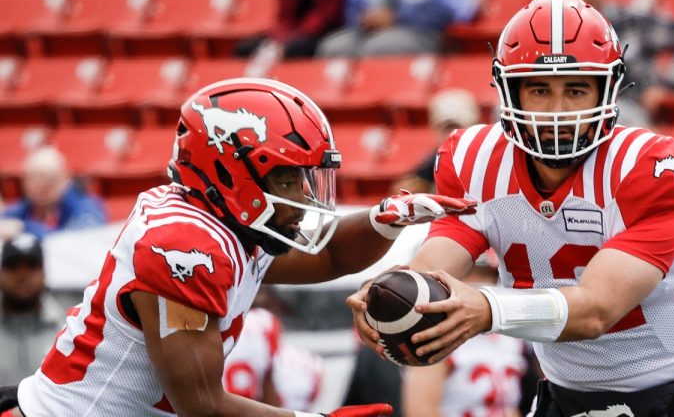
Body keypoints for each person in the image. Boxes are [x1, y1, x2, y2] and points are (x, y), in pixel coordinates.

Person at [347, 0, 674, 416]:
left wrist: (487, 308)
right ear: (509, 91)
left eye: (576, 89)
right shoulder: (475, 159)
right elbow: (439, 261)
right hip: (566, 398)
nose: (558, 110)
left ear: (607, 90)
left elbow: (597, 310)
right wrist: (393, 297)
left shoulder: (645, 166)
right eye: (539, 89)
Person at [2, 78, 476, 417]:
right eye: (287, 177)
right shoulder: (183, 246)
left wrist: (385, 220)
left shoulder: (221, 221)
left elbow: (328, 256)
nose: (303, 196)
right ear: (228, 171)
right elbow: (202, 405)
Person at [401, 253, 528, 417]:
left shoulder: (510, 335)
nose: (481, 283)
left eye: (489, 274)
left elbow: (509, 406)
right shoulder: (435, 330)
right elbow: (421, 411)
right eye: (471, 272)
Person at [563, 0, 674, 127]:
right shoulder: (561, 29)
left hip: (630, 106)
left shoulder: (630, 21)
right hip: (576, 108)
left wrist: (667, 85)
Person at [317, 0, 478, 58]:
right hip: (368, 31)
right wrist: (366, 18)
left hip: (419, 30)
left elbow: (452, 9)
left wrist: (398, 17)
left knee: (383, 48)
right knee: (334, 47)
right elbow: (351, 6)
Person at [0, 234, 65, 386]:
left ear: (43, 273)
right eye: (13, 266)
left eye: (31, 266)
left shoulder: (66, 329)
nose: (22, 275)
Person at [1, 146, 107, 239]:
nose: (42, 184)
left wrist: (23, 229)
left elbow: (78, 240)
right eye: (35, 177)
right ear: (24, 182)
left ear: (66, 178)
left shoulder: (88, 207)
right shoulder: (22, 208)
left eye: (51, 178)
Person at [391, 89, 481, 194]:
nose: (452, 135)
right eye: (446, 129)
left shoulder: (488, 159)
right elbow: (402, 191)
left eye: (458, 128)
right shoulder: (432, 165)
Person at [234, 0, 347, 60]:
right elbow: (284, 15)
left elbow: (324, 16)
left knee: (295, 48)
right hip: (291, 33)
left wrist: (287, 43)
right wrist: (278, 41)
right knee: (246, 47)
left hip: (322, 34)